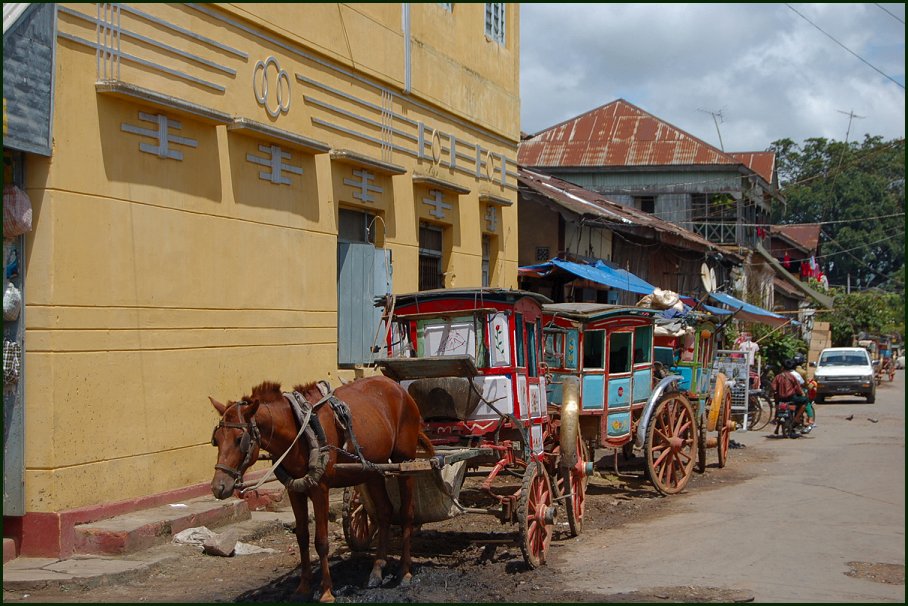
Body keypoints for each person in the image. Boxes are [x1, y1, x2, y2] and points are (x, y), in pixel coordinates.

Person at [771, 358, 809, 436]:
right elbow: (798, 388)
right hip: (791, 398)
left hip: (780, 399)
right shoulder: (792, 377)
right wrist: (801, 394)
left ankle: (776, 419)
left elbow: (773, 388)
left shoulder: (778, 377)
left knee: (777, 406)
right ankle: (797, 418)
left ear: (782, 367)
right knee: (805, 400)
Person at [793, 353, 815, 433]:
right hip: (799, 392)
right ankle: (810, 420)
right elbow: (806, 384)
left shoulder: (787, 371)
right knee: (807, 403)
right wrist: (813, 386)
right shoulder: (803, 372)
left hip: (789, 392)